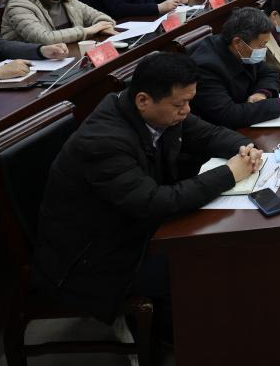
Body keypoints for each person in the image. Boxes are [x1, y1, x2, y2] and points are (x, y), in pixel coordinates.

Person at [30, 52, 261, 323]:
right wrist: (229, 174)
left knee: (226, 245)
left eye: (190, 101)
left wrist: (245, 149)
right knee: (207, 263)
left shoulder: (161, 113)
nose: (187, 110)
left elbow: (209, 134)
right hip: (95, 259)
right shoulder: (103, 142)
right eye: (181, 104)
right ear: (143, 100)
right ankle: (182, 339)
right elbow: (154, 202)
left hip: (133, 228)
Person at [188, 8, 280, 128]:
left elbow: (269, 73)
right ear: (238, 43)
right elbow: (227, 115)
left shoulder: (242, 50)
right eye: (261, 45)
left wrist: (262, 93)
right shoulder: (206, 68)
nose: (264, 49)